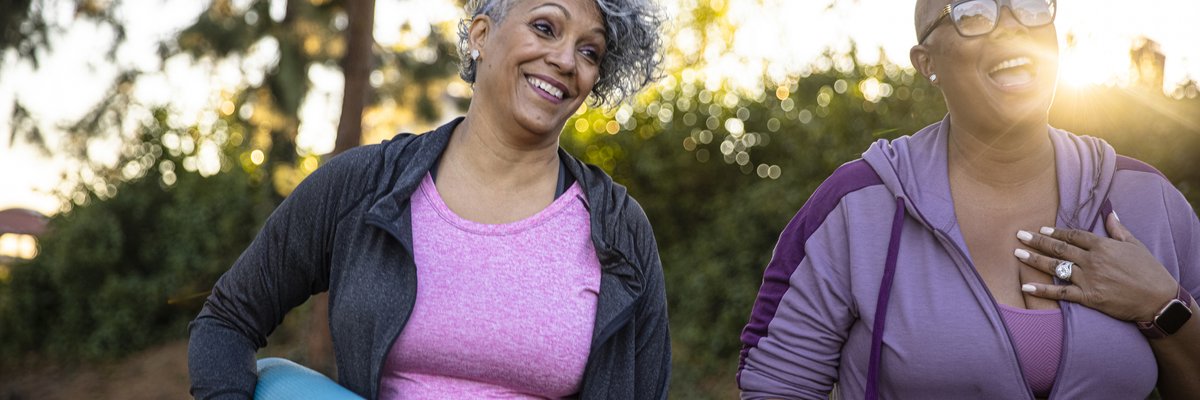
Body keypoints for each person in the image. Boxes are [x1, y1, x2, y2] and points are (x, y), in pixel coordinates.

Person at [187, 0, 670, 398]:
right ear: (481, 35)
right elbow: (228, 319)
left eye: (589, 52)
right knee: (280, 388)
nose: (567, 60)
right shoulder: (364, 184)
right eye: (545, 28)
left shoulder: (619, 229)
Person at [737, 0, 1200, 398]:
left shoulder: (1147, 201)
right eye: (974, 12)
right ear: (926, 61)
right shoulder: (857, 208)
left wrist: (1161, 305)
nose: (1013, 23)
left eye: (1030, 5)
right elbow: (775, 384)